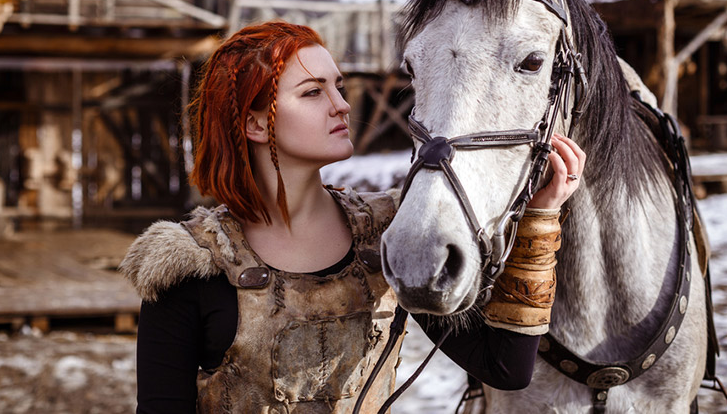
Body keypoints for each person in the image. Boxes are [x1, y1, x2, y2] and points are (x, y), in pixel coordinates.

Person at [120, 21, 585, 414]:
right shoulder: (189, 263)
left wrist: (539, 222)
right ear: (256, 124)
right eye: (312, 92)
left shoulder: (383, 234)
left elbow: (505, 367)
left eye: (337, 86)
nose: (342, 104)